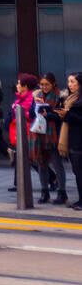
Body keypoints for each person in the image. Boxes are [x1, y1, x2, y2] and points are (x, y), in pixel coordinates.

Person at [31, 73, 68, 205]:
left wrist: (48, 112)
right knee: (41, 164)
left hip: (53, 135)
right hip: (40, 134)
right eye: (42, 84)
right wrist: (37, 106)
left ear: (53, 84)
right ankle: (44, 191)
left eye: (47, 84)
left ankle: (62, 192)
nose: (44, 87)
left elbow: (61, 115)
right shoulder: (37, 95)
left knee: (57, 165)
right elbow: (31, 114)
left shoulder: (60, 96)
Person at [5, 73, 39, 191]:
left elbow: (30, 115)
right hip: (18, 130)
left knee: (28, 157)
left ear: (26, 86)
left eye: (19, 83)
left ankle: (51, 178)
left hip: (27, 131)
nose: (17, 85)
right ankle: (18, 183)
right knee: (21, 156)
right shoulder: (21, 97)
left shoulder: (30, 98)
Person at [57, 71, 82, 210]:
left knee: (79, 172)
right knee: (77, 172)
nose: (70, 85)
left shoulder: (79, 100)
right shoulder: (70, 98)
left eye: (73, 82)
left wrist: (68, 114)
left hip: (79, 141)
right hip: (73, 140)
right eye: (69, 82)